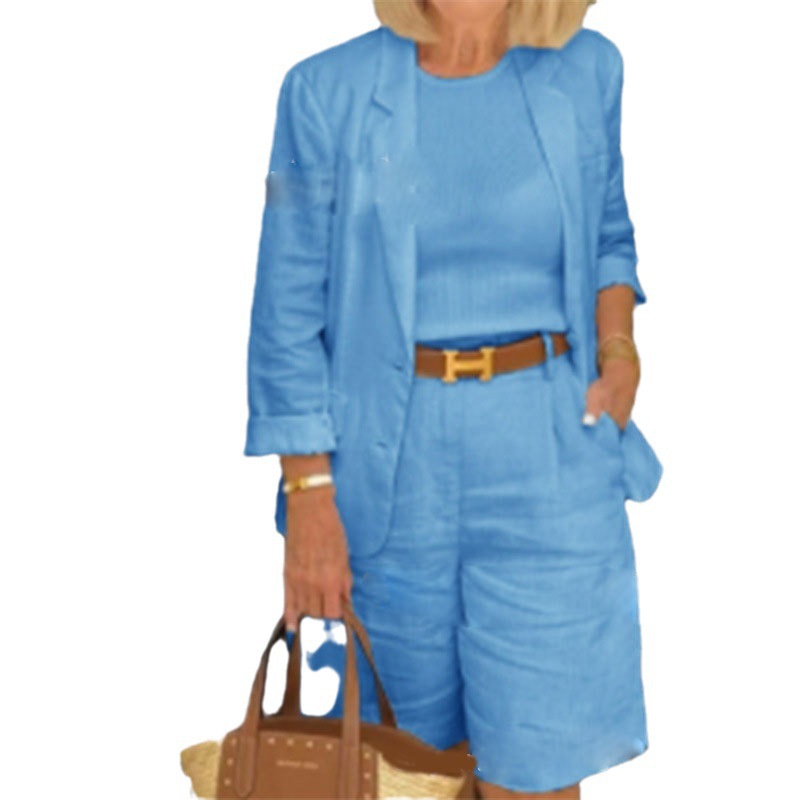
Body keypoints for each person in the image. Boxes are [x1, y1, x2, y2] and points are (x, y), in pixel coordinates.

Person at [244, 1, 663, 797]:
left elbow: (609, 233)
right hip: (385, 476)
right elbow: (286, 307)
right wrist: (308, 494)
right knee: (398, 773)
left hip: (550, 460)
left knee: (537, 775)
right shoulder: (322, 91)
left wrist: (618, 348)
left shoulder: (588, 68)